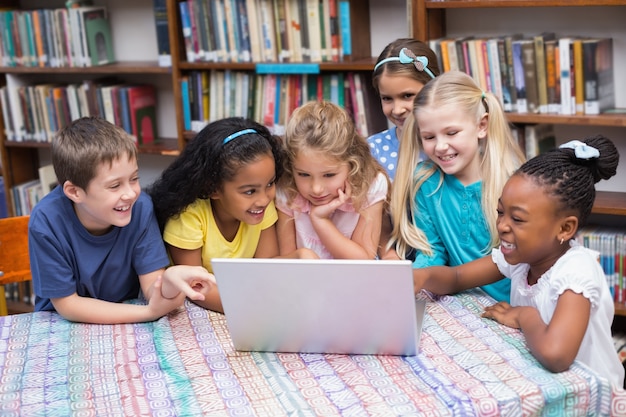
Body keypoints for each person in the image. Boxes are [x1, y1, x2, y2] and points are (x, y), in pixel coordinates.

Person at [413, 134, 623, 387]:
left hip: (591, 399)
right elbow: (458, 277)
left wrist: (524, 316)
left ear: (565, 229)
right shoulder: (522, 257)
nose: (502, 226)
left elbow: (557, 355)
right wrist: (421, 277)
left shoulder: (576, 272)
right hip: (544, 387)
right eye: (501, 212)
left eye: (518, 219)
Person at [29, 117, 214, 324]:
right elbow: (69, 306)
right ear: (74, 192)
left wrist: (169, 283)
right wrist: (148, 313)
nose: (130, 194)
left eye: (134, 179)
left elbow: (152, 287)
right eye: (115, 186)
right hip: (63, 325)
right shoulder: (46, 221)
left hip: (125, 320)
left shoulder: (140, 207)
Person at [148, 117, 315, 314]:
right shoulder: (188, 217)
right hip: (206, 302)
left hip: (243, 293)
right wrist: (254, 307)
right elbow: (196, 288)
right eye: (250, 191)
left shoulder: (261, 207)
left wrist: (301, 256)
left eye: (270, 184)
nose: (264, 199)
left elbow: (265, 267)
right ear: (213, 189)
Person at [386, 70, 525, 303]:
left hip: (516, 303)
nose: (440, 146)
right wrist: (415, 277)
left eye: (451, 133)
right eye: (429, 137)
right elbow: (432, 251)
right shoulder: (425, 182)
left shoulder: (512, 180)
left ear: (482, 126)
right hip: (459, 301)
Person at [276, 100, 389, 260]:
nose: (316, 188)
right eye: (303, 174)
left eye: (329, 175)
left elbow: (363, 262)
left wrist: (320, 220)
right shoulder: (287, 188)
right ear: (291, 167)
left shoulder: (371, 186)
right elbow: (286, 263)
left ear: (353, 164)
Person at [367, 38, 440, 181]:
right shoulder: (372, 150)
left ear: (434, 90)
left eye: (407, 96)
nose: (397, 110)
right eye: (387, 98)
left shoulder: (449, 147)